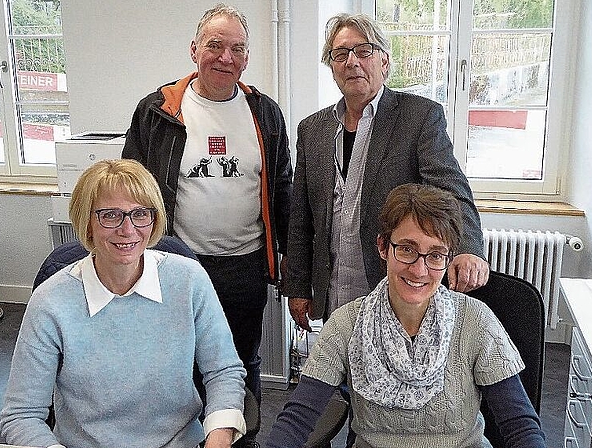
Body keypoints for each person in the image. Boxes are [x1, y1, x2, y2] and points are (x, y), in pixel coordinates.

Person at [121, 4, 292, 444]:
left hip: (245, 266)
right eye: (215, 45)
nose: (225, 57)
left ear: (247, 57)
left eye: (237, 48)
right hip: (177, 264)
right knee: (179, 359)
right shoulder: (156, 110)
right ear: (194, 49)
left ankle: (242, 437)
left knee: (241, 360)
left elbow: (282, 188)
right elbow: (131, 186)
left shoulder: (265, 113)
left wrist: (290, 257)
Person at [266, 183, 546, 448]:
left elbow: (519, 424)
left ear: (449, 259)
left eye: (435, 255)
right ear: (383, 247)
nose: (419, 270)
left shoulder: (475, 321)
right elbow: (298, 418)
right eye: (407, 249)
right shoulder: (347, 325)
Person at [0, 159, 247, 448]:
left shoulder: (188, 280)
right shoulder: (50, 302)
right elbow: (21, 415)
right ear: (87, 223)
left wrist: (218, 436)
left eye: (140, 214)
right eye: (110, 215)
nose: (128, 229)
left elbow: (224, 371)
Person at [285, 13, 489, 333]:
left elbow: (450, 188)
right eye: (341, 54)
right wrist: (297, 286)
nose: (352, 61)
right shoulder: (312, 130)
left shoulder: (419, 117)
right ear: (332, 66)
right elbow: (301, 217)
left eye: (363, 50)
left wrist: (467, 249)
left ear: (384, 60)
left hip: (395, 286)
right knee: (341, 373)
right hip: (333, 289)